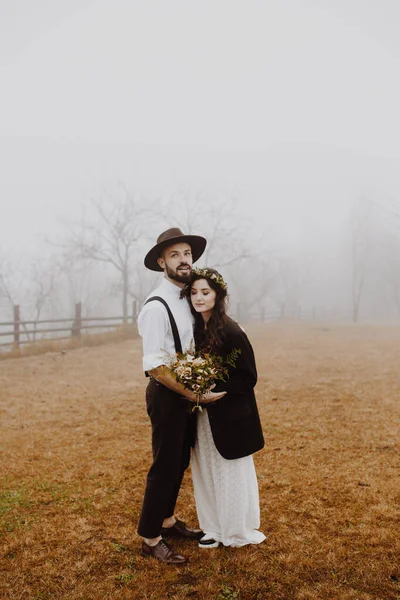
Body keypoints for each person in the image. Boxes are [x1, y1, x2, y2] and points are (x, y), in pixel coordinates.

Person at [137, 229, 226, 565]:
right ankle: (150, 538)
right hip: (167, 395)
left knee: (180, 462)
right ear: (162, 262)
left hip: (188, 395)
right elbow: (156, 366)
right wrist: (194, 394)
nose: (183, 259)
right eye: (174, 254)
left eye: (187, 252)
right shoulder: (156, 307)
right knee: (164, 466)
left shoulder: (189, 297)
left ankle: (167, 520)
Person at [187, 267, 265, 548]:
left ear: (217, 295)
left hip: (229, 414)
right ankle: (211, 526)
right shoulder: (196, 328)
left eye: (205, 292)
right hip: (204, 415)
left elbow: (248, 377)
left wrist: (217, 390)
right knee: (206, 467)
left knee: (228, 470)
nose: (198, 298)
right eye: (194, 292)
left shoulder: (231, 331)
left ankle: (233, 530)